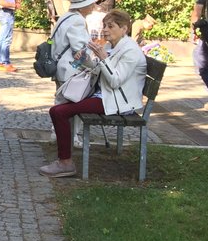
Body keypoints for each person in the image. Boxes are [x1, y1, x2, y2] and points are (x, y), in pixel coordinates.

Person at [40, 9, 147, 177]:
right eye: (104, 25)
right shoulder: (116, 46)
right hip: (107, 95)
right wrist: (86, 59)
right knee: (61, 106)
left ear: (124, 29)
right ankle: (64, 160)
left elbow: (115, 80)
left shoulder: (131, 51)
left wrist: (103, 58)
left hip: (119, 102)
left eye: (110, 26)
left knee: (59, 111)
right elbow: (99, 71)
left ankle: (65, 163)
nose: (105, 30)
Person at [50, 0, 98, 87]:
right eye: (90, 4)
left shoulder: (65, 16)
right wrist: (95, 67)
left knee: (61, 102)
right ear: (81, 7)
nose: (93, 5)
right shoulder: (77, 20)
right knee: (68, 102)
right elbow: (80, 51)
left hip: (61, 69)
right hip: (70, 71)